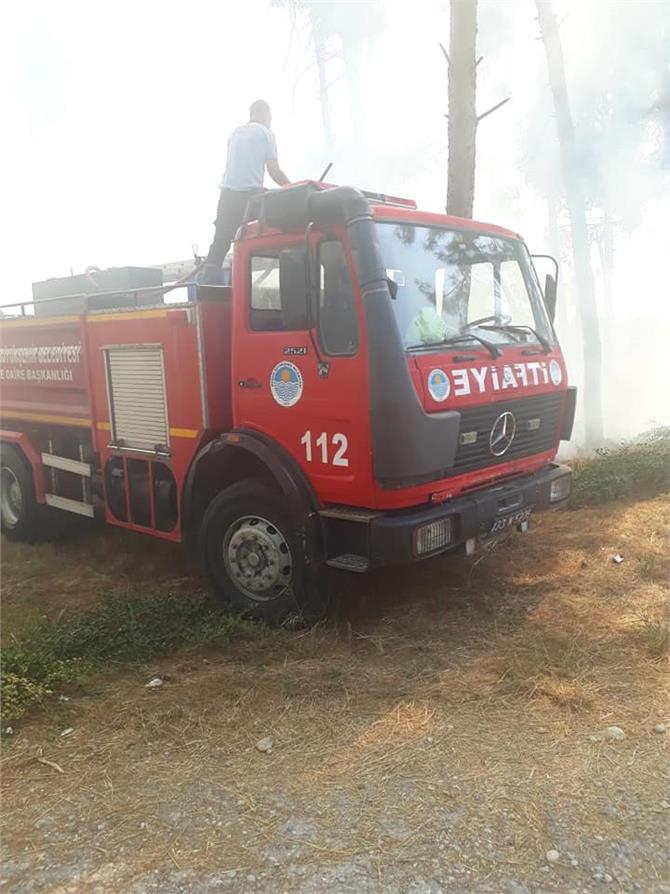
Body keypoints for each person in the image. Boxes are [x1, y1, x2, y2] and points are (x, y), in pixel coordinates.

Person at [201, 100, 290, 283]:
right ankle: (238, 287)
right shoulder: (266, 133)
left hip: (226, 197)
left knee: (220, 244)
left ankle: (207, 288)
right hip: (250, 199)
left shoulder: (235, 133)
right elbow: (274, 170)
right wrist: (291, 187)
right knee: (250, 244)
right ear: (265, 114)